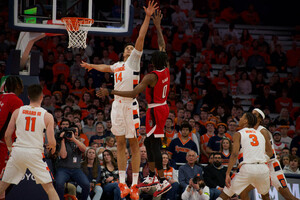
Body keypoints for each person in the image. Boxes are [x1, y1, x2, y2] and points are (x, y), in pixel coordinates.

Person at [81, 2, 158, 199]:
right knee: (120, 144)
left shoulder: (134, 62)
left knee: (134, 145)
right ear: (123, 53)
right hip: (116, 106)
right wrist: (91, 65)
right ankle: (123, 183)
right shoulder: (118, 64)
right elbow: (105, 68)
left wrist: (148, 17)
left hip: (130, 105)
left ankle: (134, 185)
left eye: (133, 48)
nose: (131, 49)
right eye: (128, 48)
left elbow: (140, 37)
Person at [97, 10, 171, 197]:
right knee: (152, 143)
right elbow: (162, 45)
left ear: (152, 63)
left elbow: (132, 93)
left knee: (151, 145)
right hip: (162, 106)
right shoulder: (165, 69)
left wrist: (110, 92)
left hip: (152, 109)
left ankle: (158, 179)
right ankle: (151, 178)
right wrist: (159, 27)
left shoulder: (150, 76)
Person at [0, 84, 59, 200]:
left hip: (18, 151)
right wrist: (52, 150)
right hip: (35, 152)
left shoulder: (18, 111)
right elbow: (52, 142)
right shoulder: (47, 116)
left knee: (2, 185)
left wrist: (10, 149)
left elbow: (7, 135)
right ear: (42, 96)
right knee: (49, 188)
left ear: (28, 96)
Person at [240, 108, 300, 200]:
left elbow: (270, 153)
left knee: (289, 197)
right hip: (260, 168)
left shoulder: (263, 131)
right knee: (246, 191)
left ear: (260, 119)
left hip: (272, 167)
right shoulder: (250, 131)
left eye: (255, 115)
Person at [216, 112, 273, 200]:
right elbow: (270, 152)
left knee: (225, 195)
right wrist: (260, 160)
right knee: (265, 196)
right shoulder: (261, 134)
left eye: (242, 117)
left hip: (248, 168)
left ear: (246, 121)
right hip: (263, 169)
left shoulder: (239, 134)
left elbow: (234, 154)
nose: (240, 119)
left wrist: (228, 173)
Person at [55, 123, 90, 200]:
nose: (75, 133)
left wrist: (74, 139)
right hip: (63, 169)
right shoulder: (63, 142)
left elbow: (84, 150)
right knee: (59, 184)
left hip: (76, 169)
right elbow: (63, 156)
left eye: (76, 131)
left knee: (86, 185)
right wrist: (63, 140)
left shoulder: (79, 142)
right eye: (73, 131)